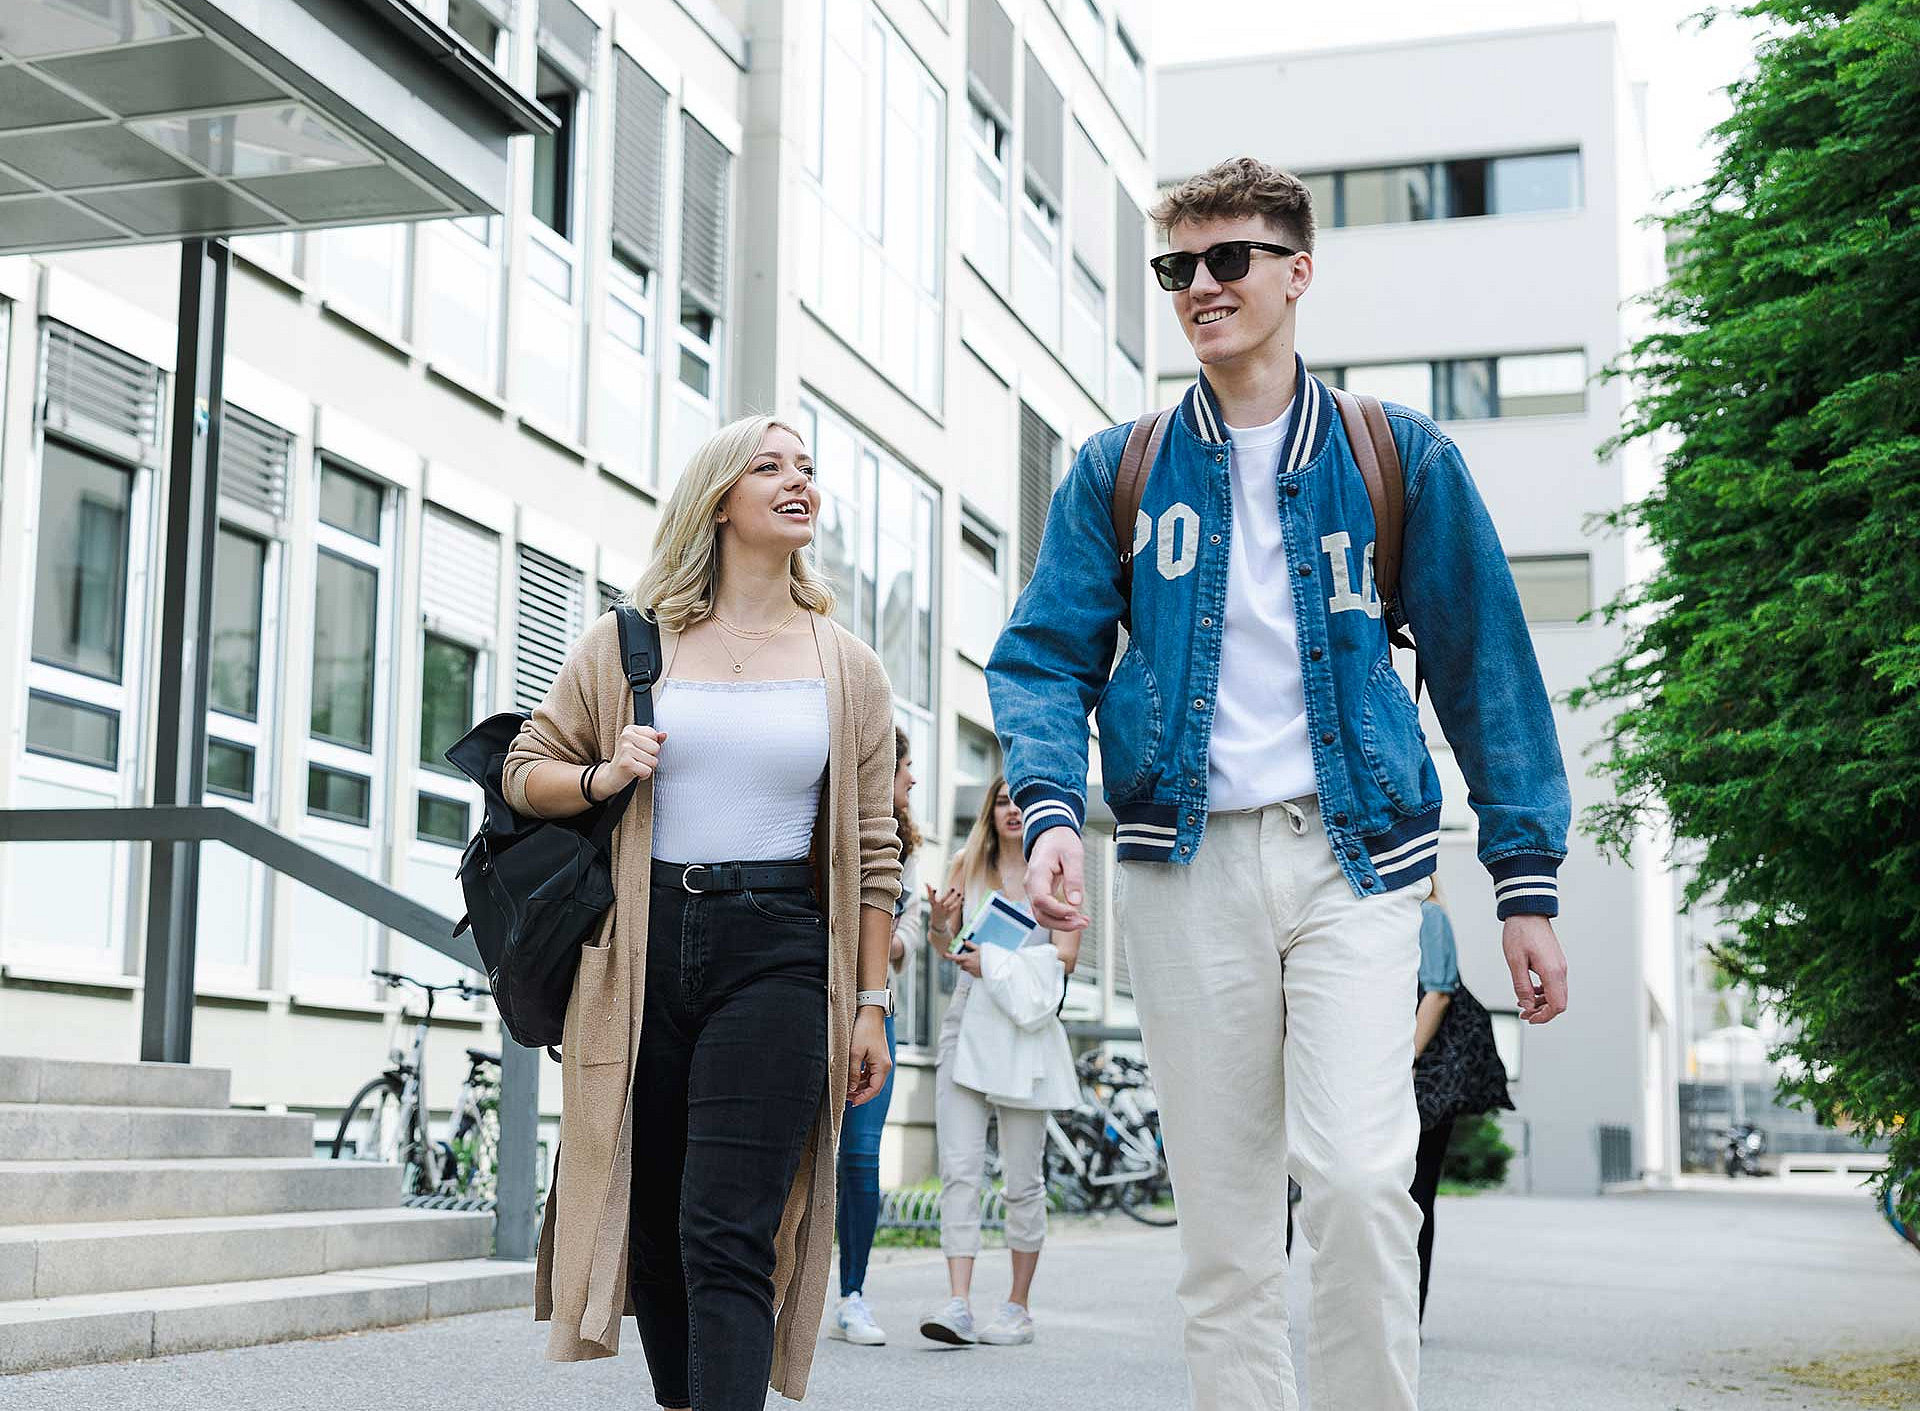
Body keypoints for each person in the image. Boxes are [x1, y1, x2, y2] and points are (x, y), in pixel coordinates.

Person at [986, 155, 1573, 1411]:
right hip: (1183, 867)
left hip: (1355, 858)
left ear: (1297, 271)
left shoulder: (1396, 457)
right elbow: (1040, 656)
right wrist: (1047, 810)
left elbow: (1489, 675)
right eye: (1178, 268)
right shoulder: (1119, 470)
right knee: (1228, 1231)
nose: (1201, 286)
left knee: (1362, 1178)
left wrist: (1525, 884)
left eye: (1229, 259)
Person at [502, 413, 902, 1410]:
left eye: (807, 466)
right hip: (641, 950)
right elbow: (522, 771)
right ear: (719, 498)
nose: (797, 479)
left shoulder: (844, 663)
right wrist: (603, 773)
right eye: (770, 465)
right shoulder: (627, 642)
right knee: (656, 1229)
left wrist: (871, 1002)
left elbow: (875, 853)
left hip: (776, 952)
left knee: (728, 1226)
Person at [917, 775, 1078, 1348]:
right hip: (968, 1022)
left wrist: (1001, 966)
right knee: (960, 1170)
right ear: (990, 810)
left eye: (1023, 801)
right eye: (1004, 801)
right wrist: (940, 921)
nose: (1013, 811)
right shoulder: (967, 862)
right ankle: (957, 1302)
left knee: (1022, 1178)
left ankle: (1017, 1306)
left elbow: (1067, 957)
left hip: (1025, 1031)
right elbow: (947, 948)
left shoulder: (1056, 873)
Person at [831, 724, 922, 1345]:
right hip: (812, 1003)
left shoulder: (906, 847)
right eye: (904, 767)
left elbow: (905, 936)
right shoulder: (826, 829)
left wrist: (889, 938)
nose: (912, 779)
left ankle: (853, 1294)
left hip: (873, 1012)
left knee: (861, 1156)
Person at [1410, 879, 1462, 1325]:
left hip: (1425, 1082)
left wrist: (1405, 1060)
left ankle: (1409, 1314)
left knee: (1417, 1194)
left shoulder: (1428, 915)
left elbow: (1439, 991)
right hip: (1409, 1076)